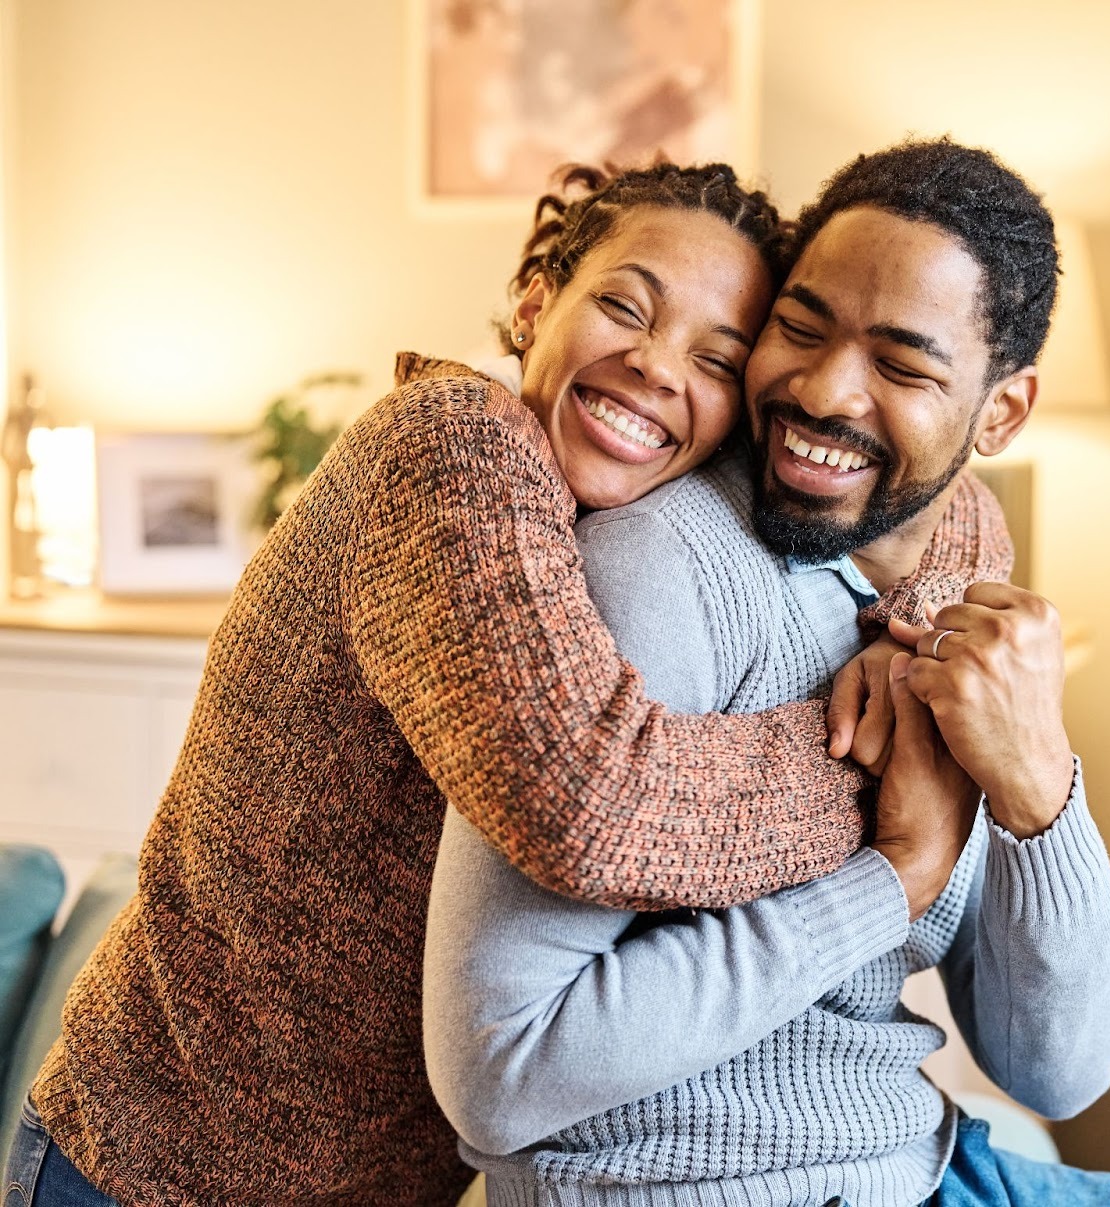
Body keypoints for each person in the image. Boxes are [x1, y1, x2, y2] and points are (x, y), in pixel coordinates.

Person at [4, 162, 1011, 1206]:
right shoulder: (453, 446)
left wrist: (912, 625)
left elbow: (959, 507)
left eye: (716, 356)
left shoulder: (640, 474)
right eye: (625, 306)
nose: (658, 366)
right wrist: (892, 793)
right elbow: (585, 803)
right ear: (537, 305)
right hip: (151, 1167)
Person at [424, 141, 1110, 1206]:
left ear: (999, 412)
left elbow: (1056, 1067)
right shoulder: (664, 566)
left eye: (901, 366)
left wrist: (1039, 780)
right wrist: (886, 880)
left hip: (924, 1165)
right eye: (801, 329)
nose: (822, 391)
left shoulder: (938, 613)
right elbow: (496, 1072)